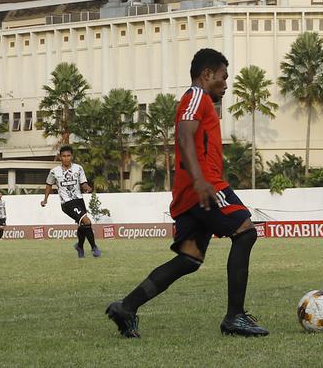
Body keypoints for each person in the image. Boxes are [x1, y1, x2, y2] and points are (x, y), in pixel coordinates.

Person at [107, 49, 268, 338]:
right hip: (203, 187)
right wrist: (200, 180)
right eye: (223, 77)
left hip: (190, 192)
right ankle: (235, 317)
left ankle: (127, 307)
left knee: (189, 259)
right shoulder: (196, 96)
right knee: (245, 232)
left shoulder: (202, 101)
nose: (226, 85)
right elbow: (183, 135)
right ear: (207, 74)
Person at [42, 145, 100, 258]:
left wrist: (87, 188)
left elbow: (83, 183)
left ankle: (80, 247)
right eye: (63, 156)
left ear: (72, 156)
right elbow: (49, 184)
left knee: (83, 225)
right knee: (87, 221)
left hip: (79, 200)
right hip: (67, 203)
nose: (66, 158)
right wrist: (45, 199)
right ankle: (94, 247)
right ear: (60, 157)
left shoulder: (78, 168)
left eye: (68, 156)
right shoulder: (54, 171)